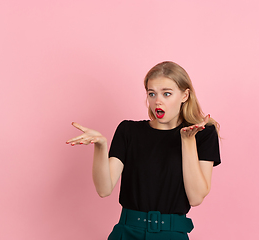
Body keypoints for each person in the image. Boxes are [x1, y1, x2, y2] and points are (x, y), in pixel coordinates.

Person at [66, 61, 221, 240]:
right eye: (152, 93)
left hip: (172, 234)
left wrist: (187, 141)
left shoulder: (203, 134)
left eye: (167, 94)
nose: (158, 101)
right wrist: (101, 145)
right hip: (127, 231)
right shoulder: (128, 131)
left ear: (185, 95)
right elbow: (104, 189)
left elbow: (196, 198)